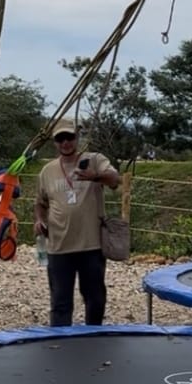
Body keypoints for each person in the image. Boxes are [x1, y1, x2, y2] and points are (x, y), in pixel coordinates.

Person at [34, 118, 121, 326]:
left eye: (69, 137)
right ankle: (59, 346)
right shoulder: (47, 171)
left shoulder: (95, 159)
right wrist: (39, 220)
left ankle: (93, 339)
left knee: (95, 298)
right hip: (58, 246)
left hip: (91, 245)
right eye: (60, 138)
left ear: (77, 137)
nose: (65, 143)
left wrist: (94, 176)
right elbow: (40, 202)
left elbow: (115, 180)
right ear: (55, 142)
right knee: (60, 302)